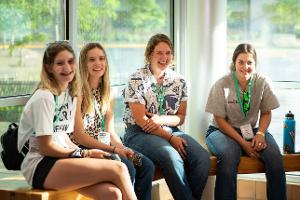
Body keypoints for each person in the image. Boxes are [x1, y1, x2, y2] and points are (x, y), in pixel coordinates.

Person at [17, 41, 137, 200]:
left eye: (70, 62)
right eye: (60, 63)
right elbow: (45, 147)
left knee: (112, 194)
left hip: (61, 159)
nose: (67, 68)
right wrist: (83, 152)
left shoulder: (69, 94)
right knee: (119, 169)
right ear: (48, 68)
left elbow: (63, 137)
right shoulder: (44, 97)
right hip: (40, 165)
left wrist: (86, 155)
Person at [122, 33, 210, 200]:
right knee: (172, 156)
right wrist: (170, 138)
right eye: (159, 53)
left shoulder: (180, 81)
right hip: (138, 133)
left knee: (202, 158)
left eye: (168, 53)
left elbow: (181, 117)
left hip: (170, 129)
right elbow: (141, 120)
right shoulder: (137, 78)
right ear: (150, 55)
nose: (164, 57)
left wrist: (161, 120)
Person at [72, 42, 154, 200]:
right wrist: (115, 151)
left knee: (145, 164)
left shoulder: (107, 92)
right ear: (83, 64)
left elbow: (110, 131)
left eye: (101, 58)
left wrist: (123, 148)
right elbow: (79, 136)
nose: (98, 63)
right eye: (92, 60)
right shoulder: (78, 92)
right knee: (127, 166)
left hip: (106, 144)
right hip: (84, 148)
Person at [205, 43, 286, 200]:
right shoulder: (222, 84)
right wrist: (243, 143)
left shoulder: (263, 82)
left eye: (250, 62)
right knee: (229, 155)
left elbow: (266, 112)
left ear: (255, 64)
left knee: (275, 158)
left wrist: (261, 133)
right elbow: (219, 120)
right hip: (221, 130)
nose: (245, 67)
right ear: (234, 63)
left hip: (253, 130)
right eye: (241, 62)